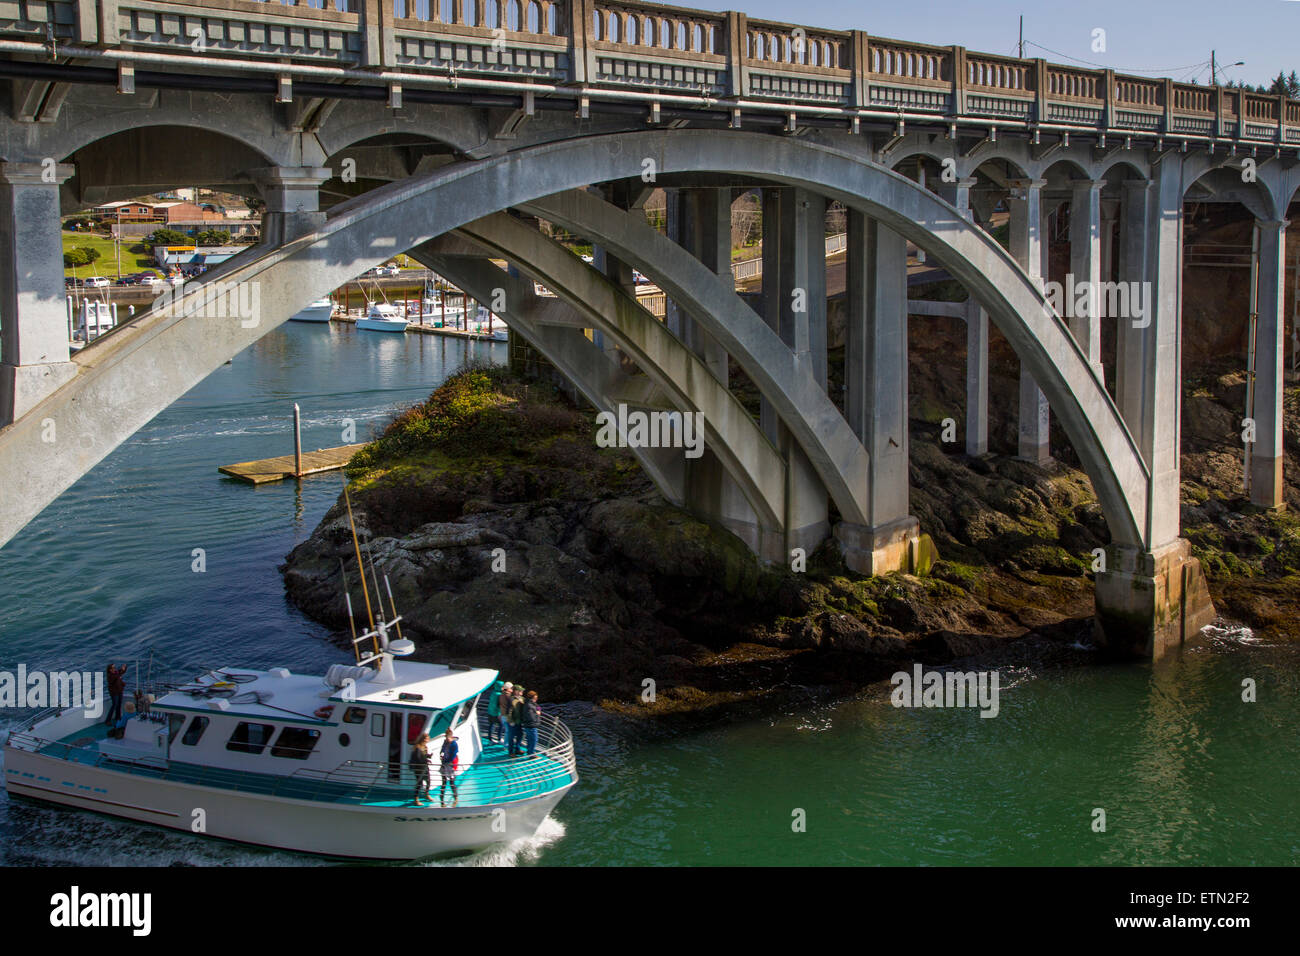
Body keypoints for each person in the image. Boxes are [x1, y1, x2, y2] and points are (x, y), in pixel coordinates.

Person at [409, 733, 432, 806]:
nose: (427, 740)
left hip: (425, 767)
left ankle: (427, 794)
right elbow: (418, 758)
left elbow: (424, 755)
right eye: (426, 739)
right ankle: (416, 799)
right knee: (419, 783)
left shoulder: (425, 747)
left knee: (428, 781)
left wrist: (428, 756)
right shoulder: (417, 747)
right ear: (423, 739)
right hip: (419, 768)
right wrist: (426, 760)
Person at [439, 730, 460, 807]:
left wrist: (445, 760)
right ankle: (442, 800)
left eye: (448, 737)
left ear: (451, 736)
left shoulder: (454, 744)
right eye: (446, 737)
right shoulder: (445, 742)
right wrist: (441, 755)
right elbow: (442, 750)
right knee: (444, 783)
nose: (447, 739)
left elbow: (453, 756)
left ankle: (456, 798)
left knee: (451, 783)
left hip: (450, 765)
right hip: (445, 765)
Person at [521, 690, 542, 757]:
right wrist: (537, 714)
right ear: (532, 698)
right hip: (531, 725)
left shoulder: (531, 703)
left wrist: (538, 709)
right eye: (535, 698)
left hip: (529, 725)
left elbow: (537, 706)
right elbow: (530, 716)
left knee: (530, 739)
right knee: (533, 739)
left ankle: (530, 751)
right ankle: (531, 753)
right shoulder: (529, 705)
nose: (536, 699)